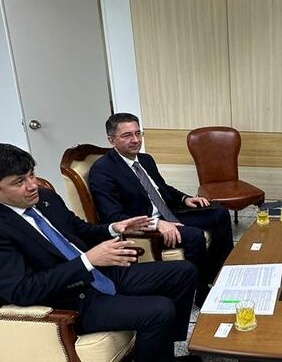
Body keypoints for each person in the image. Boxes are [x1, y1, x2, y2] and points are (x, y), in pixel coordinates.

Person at [0, 143, 199, 362]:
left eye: (31, 174)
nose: (32, 185)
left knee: (184, 271)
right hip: (68, 300)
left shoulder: (44, 197)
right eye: (19, 182)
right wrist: (87, 261)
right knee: (159, 309)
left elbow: (79, 230)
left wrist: (114, 228)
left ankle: (163, 352)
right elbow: (23, 290)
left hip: (98, 273)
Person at [89, 113, 233, 304]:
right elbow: (113, 217)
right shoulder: (103, 170)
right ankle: (201, 292)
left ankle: (219, 274)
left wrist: (185, 198)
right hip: (145, 229)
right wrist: (156, 224)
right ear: (112, 140)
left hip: (170, 213)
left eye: (138, 133)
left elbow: (162, 188)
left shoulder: (145, 159)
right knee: (194, 235)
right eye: (127, 135)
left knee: (220, 213)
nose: (135, 140)